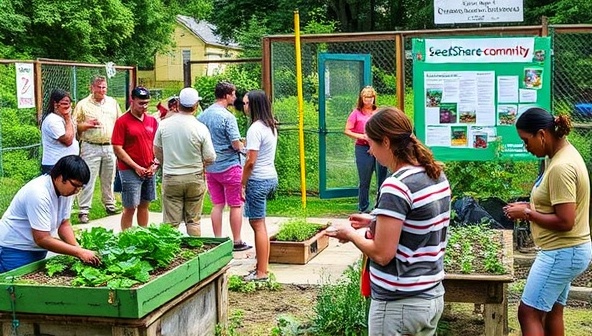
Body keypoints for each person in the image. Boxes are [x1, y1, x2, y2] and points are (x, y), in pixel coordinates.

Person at [327, 107, 451, 336]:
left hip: (399, 304)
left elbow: (383, 254)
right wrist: (375, 219)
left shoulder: (396, 185)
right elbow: (419, 221)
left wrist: (351, 235)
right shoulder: (434, 173)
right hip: (431, 297)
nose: (371, 152)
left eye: (371, 144)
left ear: (385, 142)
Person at [503, 107, 591, 336]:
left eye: (526, 140)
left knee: (528, 312)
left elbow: (565, 220)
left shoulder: (561, 167)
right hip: (569, 250)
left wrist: (528, 214)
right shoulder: (560, 156)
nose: (526, 147)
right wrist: (529, 208)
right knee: (552, 310)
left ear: (542, 134)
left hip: (563, 251)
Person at [0, 155, 100, 272]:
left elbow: (64, 224)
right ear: (60, 177)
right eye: (75, 185)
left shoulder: (65, 191)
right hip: (15, 249)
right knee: (16, 287)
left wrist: (78, 249)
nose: (77, 191)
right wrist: (78, 252)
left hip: (36, 250)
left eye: (80, 187)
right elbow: (42, 239)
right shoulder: (38, 193)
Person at [154, 88, 216, 236]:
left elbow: (156, 149)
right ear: (195, 106)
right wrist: (200, 165)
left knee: (170, 223)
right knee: (193, 221)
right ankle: (195, 252)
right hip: (194, 177)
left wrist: (166, 162)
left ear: (178, 103)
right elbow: (210, 157)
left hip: (171, 177)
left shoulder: (164, 125)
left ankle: (169, 255)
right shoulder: (200, 128)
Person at [197, 81, 251, 252]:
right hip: (230, 166)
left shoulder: (203, 116)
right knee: (236, 204)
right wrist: (244, 147)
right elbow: (235, 144)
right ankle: (237, 240)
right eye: (233, 94)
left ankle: (218, 239)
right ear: (227, 95)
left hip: (211, 167)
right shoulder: (228, 117)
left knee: (217, 205)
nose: (235, 98)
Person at [240, 90, 278, 281]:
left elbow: (250, 162)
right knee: (260, 224)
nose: (243, 106)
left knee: (258, 225)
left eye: (246, 103)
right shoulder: (270, 125)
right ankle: (262, 266)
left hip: (258, 179)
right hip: (270, 176)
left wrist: (242, 184)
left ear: (254, 105)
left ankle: (262, 272)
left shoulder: (254, 128)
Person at [73, 75, 123, 223]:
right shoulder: (83, 105)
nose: (102, 90)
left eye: (104, 87)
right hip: (90, 145)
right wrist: (86, 125)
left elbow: (119, 122)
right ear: (92, 88)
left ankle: (110, 204)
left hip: (109, 146)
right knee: (88, 177)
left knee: (109, 178)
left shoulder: (112, 103)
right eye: (99, 87)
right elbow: (74, 126)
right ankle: (84, 210)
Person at [111, 87, 159, 231]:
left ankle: (143, 233)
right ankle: (127, 236)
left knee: (145, 204)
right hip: (130, 169)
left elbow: (156, 144)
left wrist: (155, 165)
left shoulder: (152, 121)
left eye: (146, 103)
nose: (144, 107)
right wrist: (135, 167)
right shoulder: (122, 122)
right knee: (130, 206)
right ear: (132, 101)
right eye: (141, 103)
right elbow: (117, 148)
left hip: (148, 168)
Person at [344, 86, 388, 213]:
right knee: (364, 179)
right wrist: (362, 136)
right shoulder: (356, 113)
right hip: (363, 148)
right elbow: (347, 130)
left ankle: (381, 206)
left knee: (382, 178)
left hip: (379, 148)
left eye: (370, 97)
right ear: (361, 99)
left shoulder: (378, 112)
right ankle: (363, 207)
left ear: (374, 98)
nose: (368, 100)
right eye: (365, 97)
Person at [40, 89, 79, 174]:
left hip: (66, 164)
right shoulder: (52, 120)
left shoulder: (62, 118)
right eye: (65, 103)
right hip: (55, 165)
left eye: (69, 103)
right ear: (55, 104)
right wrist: (68, 118)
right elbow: (68, 140)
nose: (69, 107)